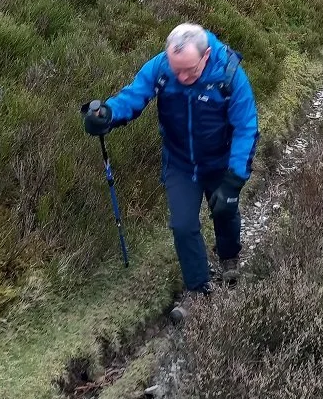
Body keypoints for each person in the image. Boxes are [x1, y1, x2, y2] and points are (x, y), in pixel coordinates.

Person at [82, 22, 259, 322]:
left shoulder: (229, 75)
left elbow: (246, 127)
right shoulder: (162, 68)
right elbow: (134, 95)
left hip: (221, 162)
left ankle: (229, 257)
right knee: (182, 225)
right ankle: (198, 291)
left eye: (189, 70)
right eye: (177, 70)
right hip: (180, 163)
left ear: (205, 57)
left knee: (224, 211)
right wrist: (108, 114)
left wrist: (234, 180)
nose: (182, 77)